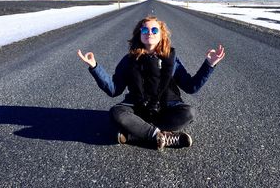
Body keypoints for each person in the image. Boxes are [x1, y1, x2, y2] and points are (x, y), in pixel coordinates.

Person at [78, 16, 225, 150]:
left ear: (161, 35)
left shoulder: (171, 60)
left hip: (166, 108)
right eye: (145, 29)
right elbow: (114, 89)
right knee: (116, 113)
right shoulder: (129, 60)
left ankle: (133, 135)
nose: (150, 32)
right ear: (139, 34)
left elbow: (191, 87)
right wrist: (95, 67)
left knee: (188, 113)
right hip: (137, 109)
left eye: (154, 29)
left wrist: (209, 64)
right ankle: (162, 136)